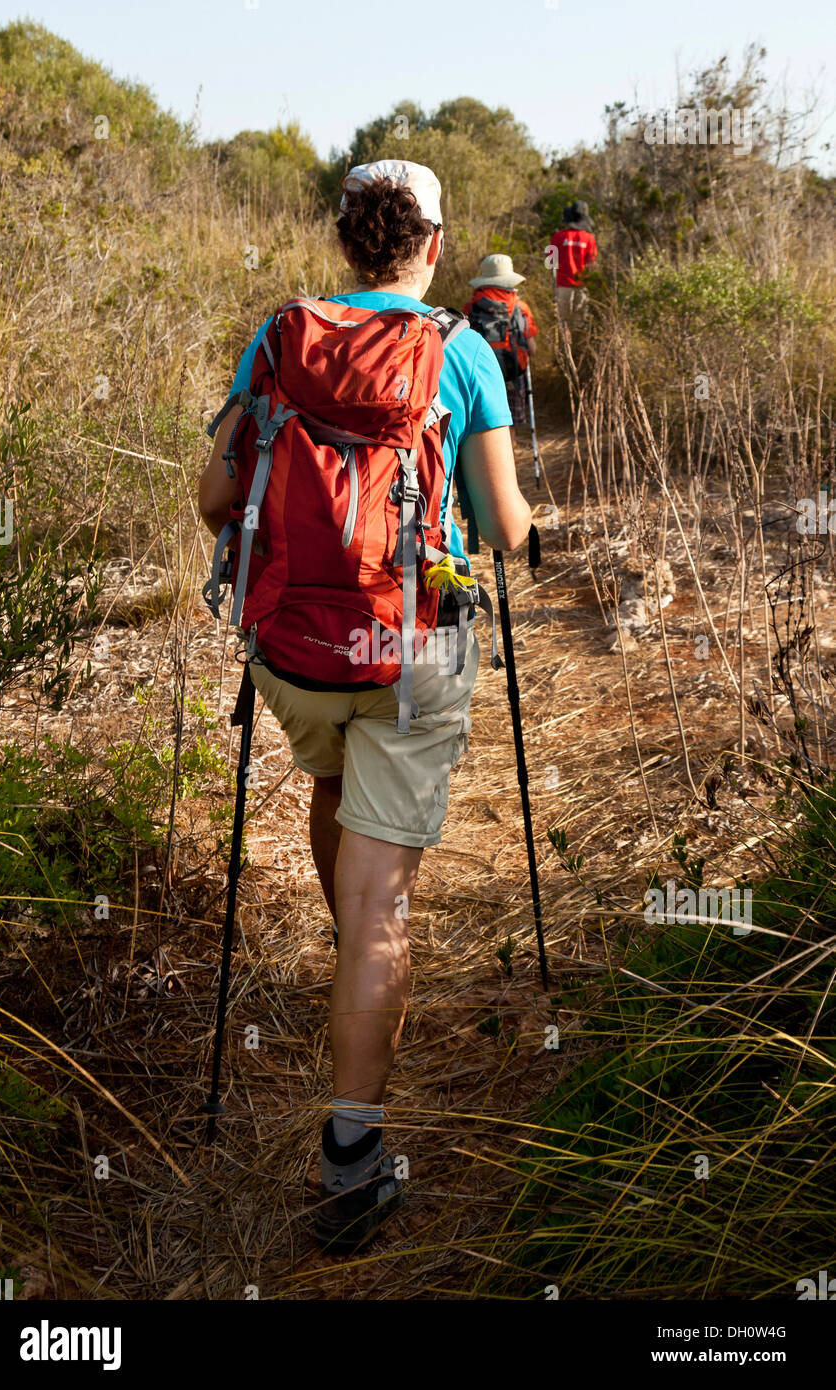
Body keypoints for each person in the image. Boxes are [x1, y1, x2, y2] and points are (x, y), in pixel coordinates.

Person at [198, 159, 531, 1253]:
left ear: (345, 241)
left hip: (294, 648)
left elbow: (213, 494)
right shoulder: (464, 349)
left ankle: (355, 973)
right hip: (412, 650)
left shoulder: (279, 334)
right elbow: (504, 523)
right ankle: (350, 1155)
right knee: (383, 894)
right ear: (433, 244)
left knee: (331, 786)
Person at [463, 253, 538, 429]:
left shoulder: (471, 307)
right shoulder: (521, 308)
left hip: (482, 372)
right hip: (513, 371)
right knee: (509, 424)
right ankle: (511, 450)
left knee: (487, 422)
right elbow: (532, 348)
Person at [548, 200, 597, 337]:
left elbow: (549, 263)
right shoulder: (590, 239)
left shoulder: (557, 237)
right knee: (579, 325)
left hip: (562, 285)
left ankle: (563, 353)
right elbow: (591, 264)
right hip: (582, 286)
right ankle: (576, 352)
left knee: (562, 324)